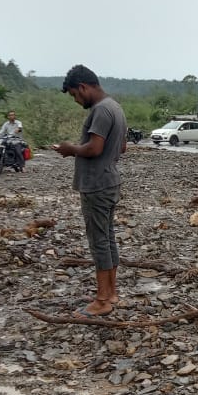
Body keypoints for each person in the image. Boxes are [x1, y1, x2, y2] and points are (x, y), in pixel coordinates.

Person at [53, 64, 127, 317]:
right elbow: (123, 147)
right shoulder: (115, 107)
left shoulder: (101, 111)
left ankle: (102, 299)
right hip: (109, 180)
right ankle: (111, 292)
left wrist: (70, 148)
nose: (76, 100)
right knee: (107, 237)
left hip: (97, 184)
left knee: (99, 241)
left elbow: (94, 148)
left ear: (83, 87)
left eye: (75, 94)